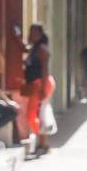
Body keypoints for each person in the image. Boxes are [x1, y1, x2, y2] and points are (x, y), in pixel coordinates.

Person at [22, 23, 51, 156]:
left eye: (34, 33)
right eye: (30, 32)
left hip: (40, 83)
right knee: (35, 114)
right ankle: (42, 143)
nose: (31, 35)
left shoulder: (42, 49)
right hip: (34, 83)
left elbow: (45, 70)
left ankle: (43, 143)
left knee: (35, 114)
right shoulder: (34, 48)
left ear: (40, 34)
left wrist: (43, 89)